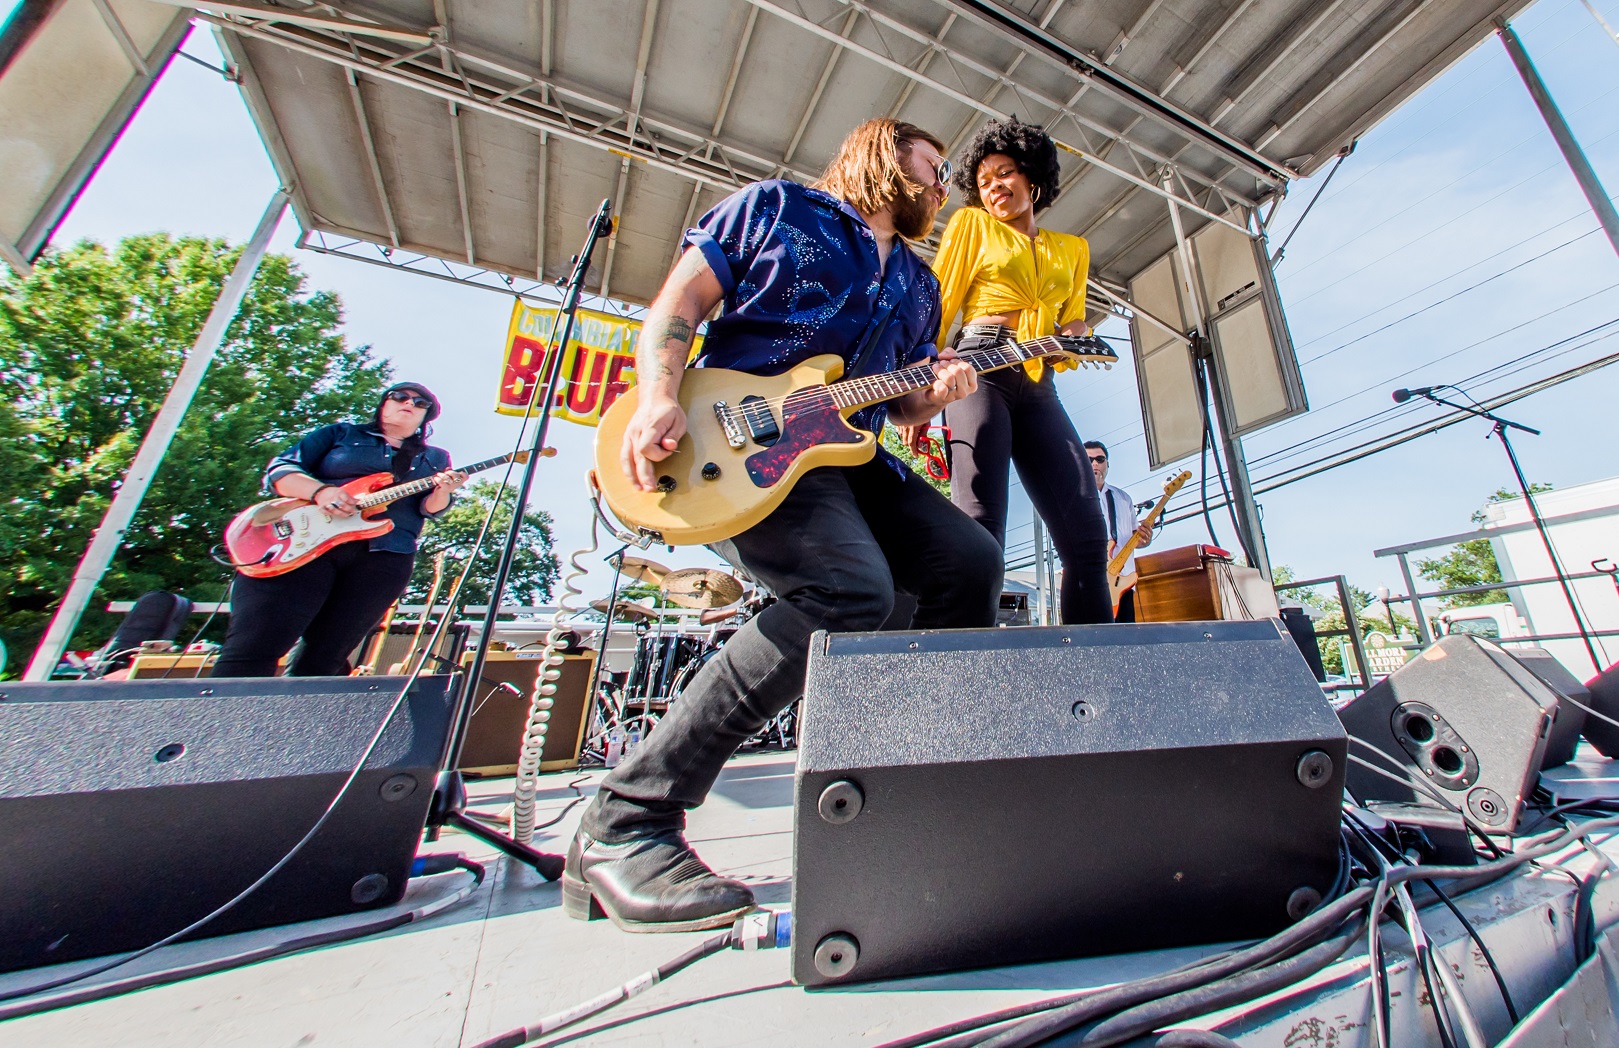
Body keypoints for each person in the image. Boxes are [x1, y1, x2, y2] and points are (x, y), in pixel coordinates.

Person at [565, 119, 1005, 933]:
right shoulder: (776, 210)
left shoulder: (918, 281)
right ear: (881, 154)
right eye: (933, 169)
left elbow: (899, 401)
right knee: (848, 594)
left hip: (847, 451)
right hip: (736, 440)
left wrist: (935, 392)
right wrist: (659, 393)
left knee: (968, 563)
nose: (944, 187)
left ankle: (917, 786)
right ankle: (625, 819)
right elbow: (679, 302)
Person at [914, 117, 1113, 625]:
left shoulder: (1074, 248)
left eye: (1005, 174)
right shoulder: (971, 225)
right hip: (979, 370)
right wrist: (922, 391)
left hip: (1038, 381)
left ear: (1032, 178)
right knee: (980, 529)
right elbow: (938, 303)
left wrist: (1073, 332)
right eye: (983, 182)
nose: (994, 187)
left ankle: (1099, 676)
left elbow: (1073, 317)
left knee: (1088, 539)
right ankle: (968, 674)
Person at [211, 383, 467, 677]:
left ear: (426, 416)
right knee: (255, 647)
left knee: (326, 658)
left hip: (384, 555)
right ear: (383, 404)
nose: (409, 403)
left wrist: (445, 491)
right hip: (304, 545)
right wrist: (321, 492)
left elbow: (429, 509)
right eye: (399, 396)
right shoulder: (340, 435)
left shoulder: (435, 458)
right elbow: (280, 470)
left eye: (420, 403)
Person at [1086, 440, 1153, 623]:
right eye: (1089, 459)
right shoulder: (1075, 497)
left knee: (1125, 639)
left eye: (1100, 459)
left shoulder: (1124, 499)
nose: (1094, 464)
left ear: (1107, 464)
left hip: (1123, 582)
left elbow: (1134, 537)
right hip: (1092, 582)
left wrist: (1144, 539)